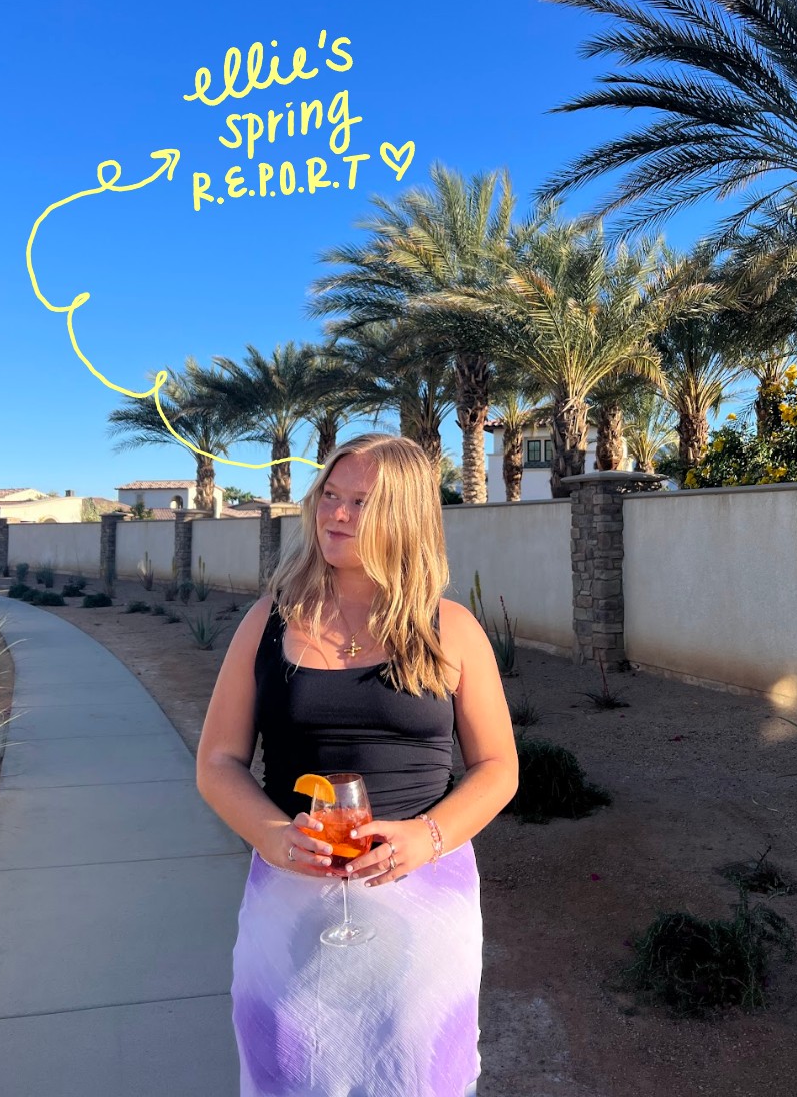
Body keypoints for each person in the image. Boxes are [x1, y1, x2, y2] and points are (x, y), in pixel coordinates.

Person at [196, 433, 519, 1096]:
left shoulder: (450, 629)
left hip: (424, 899)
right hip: (292, 893)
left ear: (403, 516)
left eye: (361, 502)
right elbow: (219, 761)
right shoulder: (270, 621)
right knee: (288, 1060)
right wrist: (272, 837)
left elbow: (497, 767)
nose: (335, 515)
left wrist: (425, 839)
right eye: (330, 497)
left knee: (414, 1068)